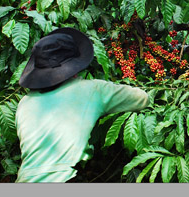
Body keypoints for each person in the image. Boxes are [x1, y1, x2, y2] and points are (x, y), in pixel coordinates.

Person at [15, 27, 149, 182]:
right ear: (74, 67)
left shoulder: (24, 103)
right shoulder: (92, 89)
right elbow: (142, 98)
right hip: (64, 178)